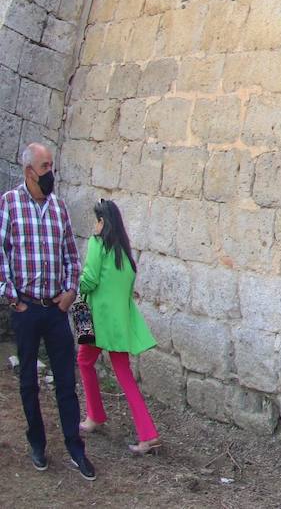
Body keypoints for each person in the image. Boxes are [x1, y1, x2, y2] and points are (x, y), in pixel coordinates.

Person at [0, 142, 97, 480]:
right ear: (29, 172)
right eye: (44, 167)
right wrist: (14, 298)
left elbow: (71, 254)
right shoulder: (9, 204)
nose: (50, 173)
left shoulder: (58, 207)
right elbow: (1, 255)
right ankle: (37, 443)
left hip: (56, 309)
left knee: (66, 382)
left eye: (51, 165)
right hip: (26, 309)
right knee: (28, 381)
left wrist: (71, 290)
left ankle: (75, 447)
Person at [77, 198, 161, 454]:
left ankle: (95, 415)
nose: (94, 225)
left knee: (83, 361)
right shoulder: (124, 252)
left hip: (90, 315)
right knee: (124, 375)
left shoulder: (96, 243)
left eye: (97, 220)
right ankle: (148, 433)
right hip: (118, 323)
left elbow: (89, 278)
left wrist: (73, 289)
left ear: (103, 222)